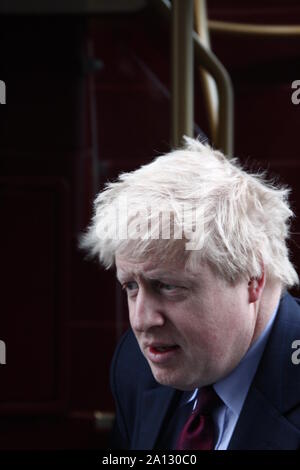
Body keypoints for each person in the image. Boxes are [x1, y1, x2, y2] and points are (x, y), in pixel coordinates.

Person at [81, 137, 300, 450]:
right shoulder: (136, 364)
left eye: (168, 286)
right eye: (131, 286)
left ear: (253, 279)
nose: (141, 321)